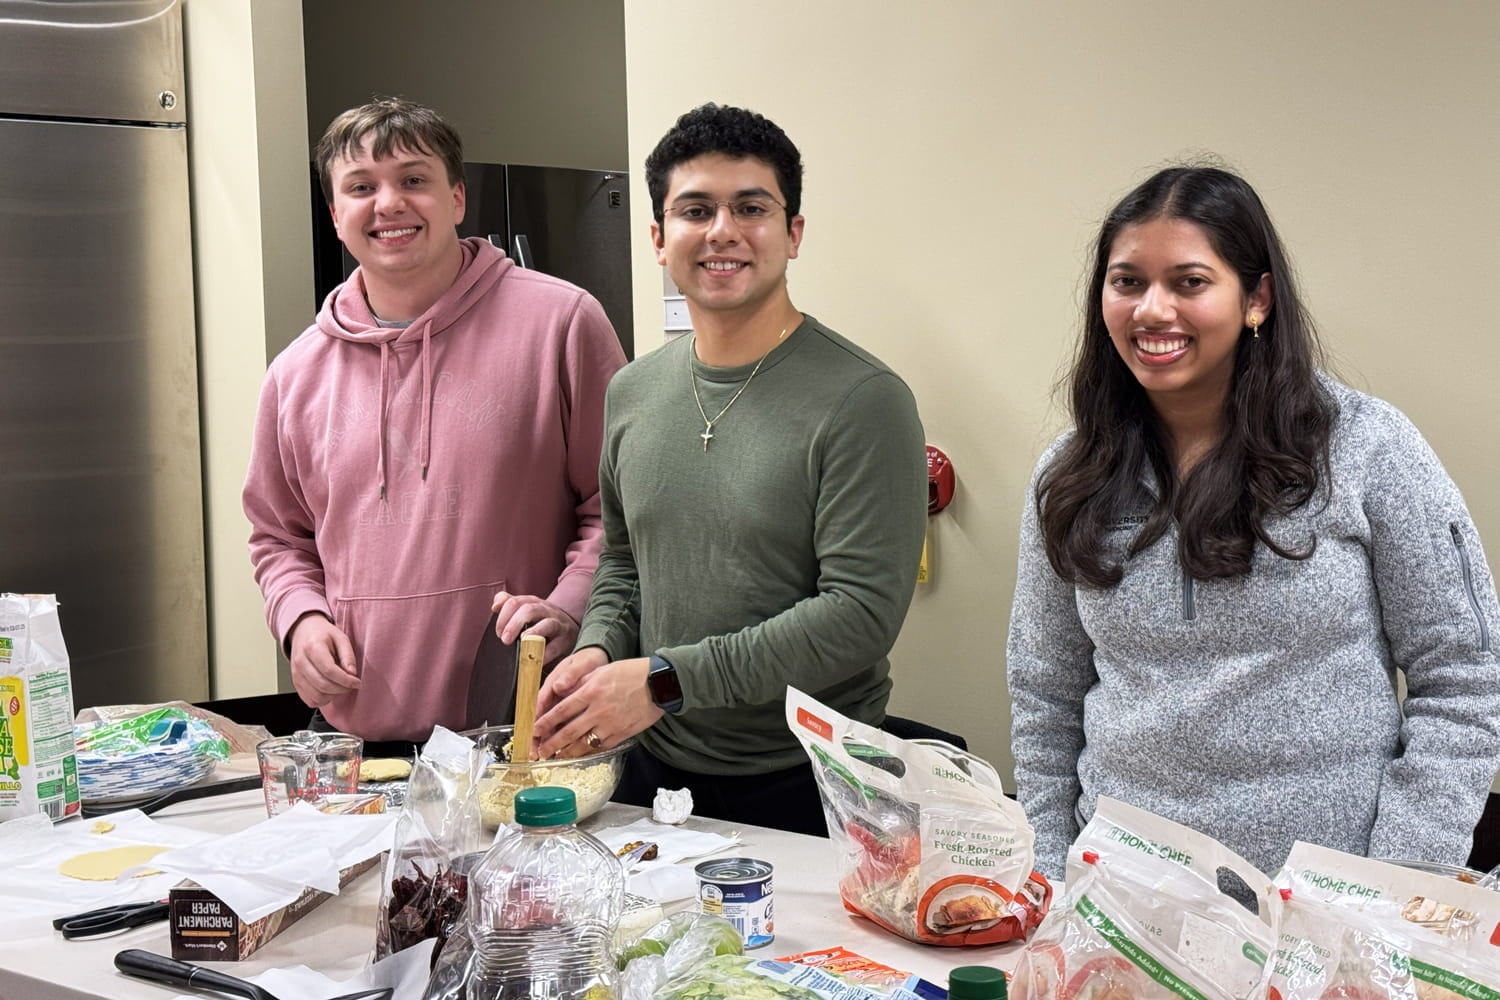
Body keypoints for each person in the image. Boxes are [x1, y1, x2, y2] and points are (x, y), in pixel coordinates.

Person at [1007, 164, 1500, 878]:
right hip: (1121, 901)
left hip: (1325, 913)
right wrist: (1051, 876)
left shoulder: (1366, 447)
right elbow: (1044, 695)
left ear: (1257, 298)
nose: (1152, 310)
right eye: (1128, 282)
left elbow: (1464, 675)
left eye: (1189, 282)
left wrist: (1391, 885)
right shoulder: (1071, 474)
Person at [530, 103, 928, 835]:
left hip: (813, 786)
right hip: (653, 775)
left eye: (751, 207)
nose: (723, 231)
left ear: (793, 233)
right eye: (695, 209)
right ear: (658, 238)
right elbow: (624, 564)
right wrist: (597, 653)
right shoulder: (632, 392)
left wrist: (665, 680)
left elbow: (860, 614)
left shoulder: (864, 401)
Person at [243, 98, 626, 746]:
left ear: (455, 198)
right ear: (336, 216)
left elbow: (618, 507)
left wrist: (569, 607)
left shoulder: (562, 325)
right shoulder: (293, 375)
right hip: (360, 746)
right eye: (361, 187)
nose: (388, 203)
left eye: (413, 180)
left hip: (528, 734)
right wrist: (300, 620)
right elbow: (279, 540)